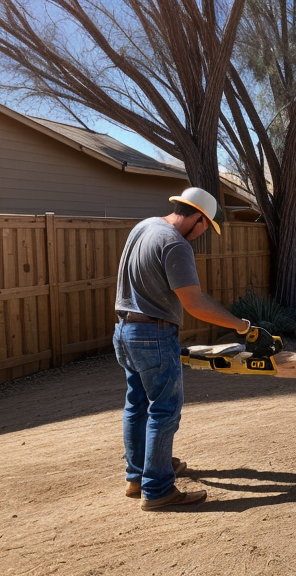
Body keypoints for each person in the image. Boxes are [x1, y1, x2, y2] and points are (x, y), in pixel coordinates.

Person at [113, 187, 271, 511]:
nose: (202, 234)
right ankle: (157, 490)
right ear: (198, 218)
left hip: (125, 330)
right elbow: (195, 303)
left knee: (137, 405)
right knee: (164, 410)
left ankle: (138, 476)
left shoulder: (143, 227)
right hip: (153, 334)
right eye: (205, 227)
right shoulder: (175, 243)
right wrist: (242, 326)